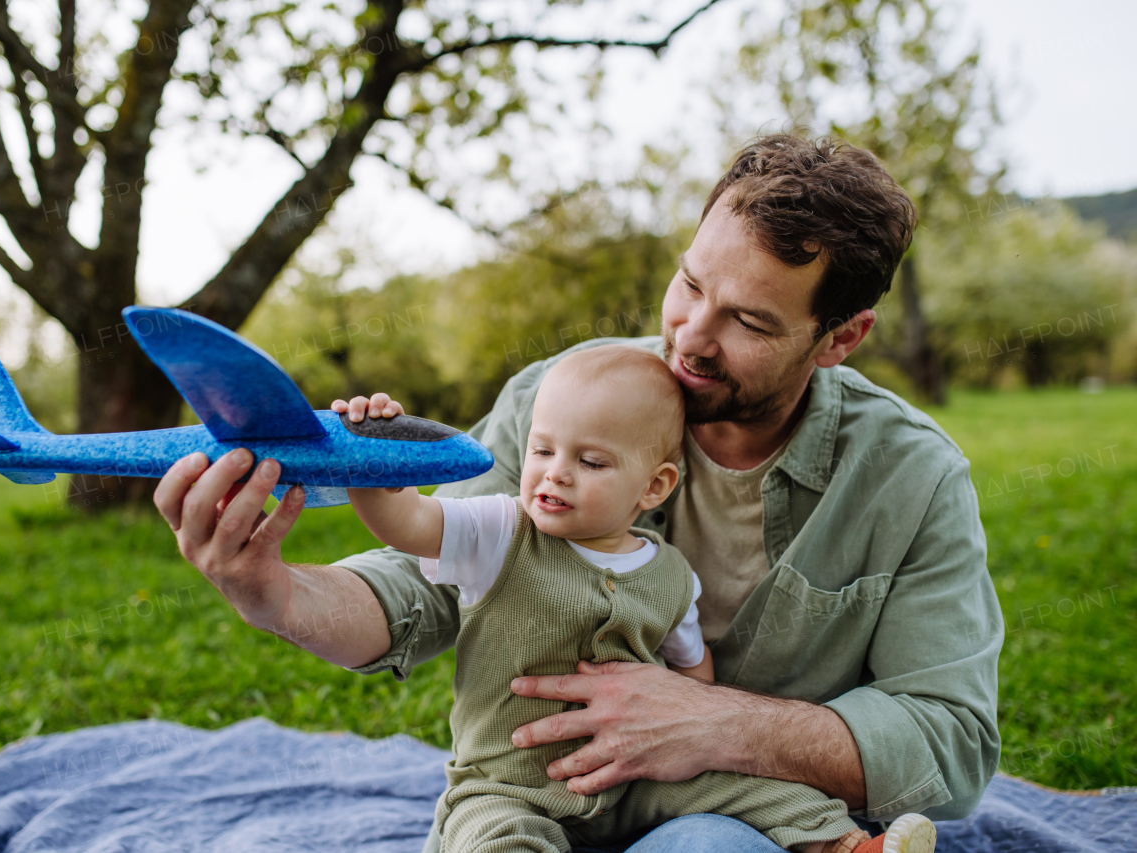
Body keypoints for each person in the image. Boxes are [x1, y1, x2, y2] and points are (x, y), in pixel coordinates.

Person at [152, 133, 1003, 852]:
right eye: (691, 286)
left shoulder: (912, 478)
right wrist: (272, 593)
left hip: (723, 813)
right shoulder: (562, 399)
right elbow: (421, 583)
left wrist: (714, 721)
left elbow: (952, 740)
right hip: (528, 797)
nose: (691, 340)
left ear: (840, 337)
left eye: (748, 322)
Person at [334, 344, 936, 853]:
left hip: (635, 778)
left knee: (743, 785)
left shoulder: (672, 574)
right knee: (494, 837)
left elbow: (693, 676)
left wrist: (703, 731)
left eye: (590, 461)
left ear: (654, 486)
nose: (555, 473)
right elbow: (409, 523)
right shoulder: (499, 530)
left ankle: (846, 844)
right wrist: (372, 465)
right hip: (510, 781)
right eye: (543, 450)